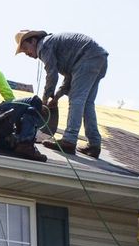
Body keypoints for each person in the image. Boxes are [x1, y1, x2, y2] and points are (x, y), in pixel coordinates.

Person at [14, 30, 109, 159]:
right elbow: (69, 77)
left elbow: (51, 75)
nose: (27, 53)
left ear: (34, 40)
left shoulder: (44, 45)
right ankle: (94, 145)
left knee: (76, 99)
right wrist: (57, 96)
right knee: (87, 103)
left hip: (88, 56)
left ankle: (69, 140)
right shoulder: (57, 46)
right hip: (98, 58)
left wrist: (44, 100)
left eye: (26, 48)